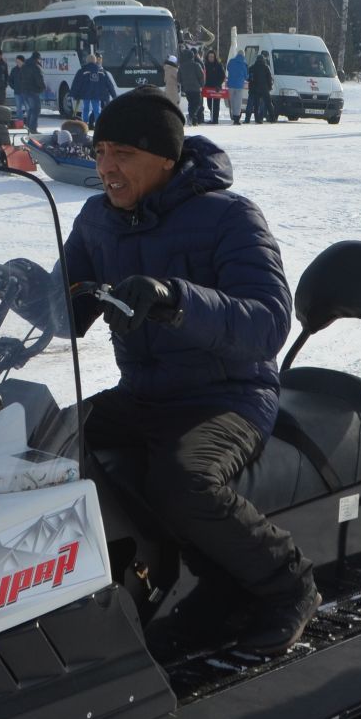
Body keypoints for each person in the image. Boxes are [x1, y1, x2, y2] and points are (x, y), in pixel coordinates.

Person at [61, 88, 317, 656]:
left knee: (180, 481)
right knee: (48, 444)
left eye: (123, 152)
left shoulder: (229, 217)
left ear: (165, 159)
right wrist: (22, 288)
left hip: (227, 395)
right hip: (144, 395)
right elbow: (70, 300)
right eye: (101, 150)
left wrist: (177, 300)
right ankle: (148, 581)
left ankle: (287, 585)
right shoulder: (98, 220)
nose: (106, 165)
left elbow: (269, 322)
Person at [9, 53, 45, 132]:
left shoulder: (24, 66)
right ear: (37, 59)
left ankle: (28, 126)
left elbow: (20, 78)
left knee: (31, 110)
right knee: (35, 110)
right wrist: (42, 88)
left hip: (24, 91)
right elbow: (39, 79)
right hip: (33, 91)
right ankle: (33, 128)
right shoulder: (35, 67)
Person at [178, 50, 205, 125]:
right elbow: (201, 76)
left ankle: (193, 121)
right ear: (192, 56)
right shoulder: (196, 65)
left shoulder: (181, 66)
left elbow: (178, 79)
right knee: (197, 104)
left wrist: (183, 85)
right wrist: (201, 85)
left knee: (191, 104)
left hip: (187, 89)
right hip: (196, 88)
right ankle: (190, 116)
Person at [247, 51, 273, 123]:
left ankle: (256, 119)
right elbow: (269, 78)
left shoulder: (252, 67)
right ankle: (272, 117)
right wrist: (269, 87)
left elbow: (249, 78)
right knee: (268, 103)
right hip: (264, 89)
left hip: (255, 89)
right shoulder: (266, 67)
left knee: (256, 105)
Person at [226, 47, 249, 123]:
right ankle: (236, 118)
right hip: (239, 85)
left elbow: (228, 68)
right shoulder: (244, 64)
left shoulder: (231, 61)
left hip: (231, 85)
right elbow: (246, 76)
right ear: (243, 55)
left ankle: (233, 115)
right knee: (238, 102)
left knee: (232, 101)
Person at [203, 52, 226, 124]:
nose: (211, 58)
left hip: (216, 88)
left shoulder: (218, 65)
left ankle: (215, 119)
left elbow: (223, 76)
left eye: (212, 57)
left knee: (216, 104)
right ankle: (212, 118)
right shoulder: (205, 65)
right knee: (210, 104)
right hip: (208, 88)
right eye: (210, 57)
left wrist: (219, 84)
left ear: (215, 57)